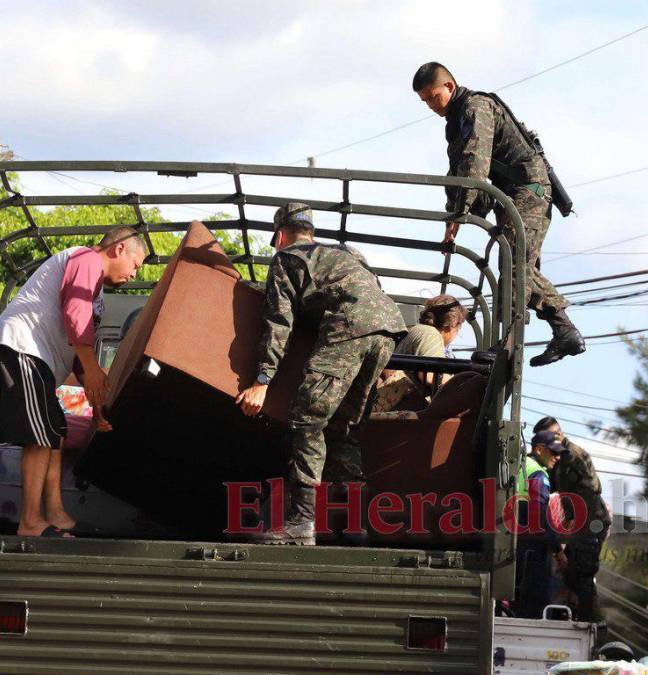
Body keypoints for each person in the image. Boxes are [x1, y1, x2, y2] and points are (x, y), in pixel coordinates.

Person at [235, 203, 407, 545]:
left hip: (350, 327)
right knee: (344, 429)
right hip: (390, 327)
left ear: (281, 236)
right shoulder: (339, 257)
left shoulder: (288, 259)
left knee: (307, 420)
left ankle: (302, 523)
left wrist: (262, 381)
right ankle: (356, 525)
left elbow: (278, 323)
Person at [411, 61, 585, 367]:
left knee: (514, 265)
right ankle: (563, 331)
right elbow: (458, 172)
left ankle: (508, 345)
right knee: (518, 267)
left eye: (432, 97)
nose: (430, 105)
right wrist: (454, 217)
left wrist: (459, 214)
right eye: (424, 101)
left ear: (449, 86)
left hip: (530, 192)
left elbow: (474, 167)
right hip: (513, 195)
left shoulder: (476, 108)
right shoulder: (456, 120)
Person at [0, 227, 147, 537]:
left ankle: (56, 513)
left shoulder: (97, 291)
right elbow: (76, 317)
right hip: (21, 346)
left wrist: (97, 404)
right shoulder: (86, 259)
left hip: (40, 358)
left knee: (56, 430)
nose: (134, 273)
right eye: (136, 263)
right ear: (119, 248)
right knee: (43, 431)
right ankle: (31, 521)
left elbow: (78, 355)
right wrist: (94, 369)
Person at [535, 416, 611, 622]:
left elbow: (591, 492)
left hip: (590, 522)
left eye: (553, 436)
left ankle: (590, 623)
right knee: (569, 573)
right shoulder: (558, 455)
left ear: (560, 434)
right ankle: (583, 616)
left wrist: (575, 521)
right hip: (582, 524)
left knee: (581, 574)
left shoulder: (572, 456)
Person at [374, 294, 466, 412]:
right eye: (458, 330)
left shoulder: (413, 331)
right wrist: (462, 384)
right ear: (452, 326)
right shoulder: (430, 333)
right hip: (400, 411)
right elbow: (430, 375)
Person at [513, 430, 567, 619]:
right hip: (530, 548)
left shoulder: (521, 465)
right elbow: (540, 517)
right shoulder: (537, 473)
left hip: (515, 542)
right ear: (538, 449)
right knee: (534, 607)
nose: (557, 457)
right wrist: (558, 551)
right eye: (553, 452)